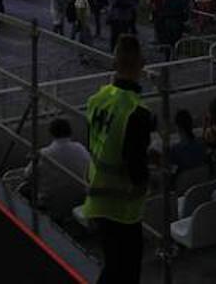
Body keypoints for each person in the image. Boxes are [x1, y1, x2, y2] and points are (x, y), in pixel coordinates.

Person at [81, 34, 154, 284]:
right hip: (123, 206)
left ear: (114, 62)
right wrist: (146, 183)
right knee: (126, 269)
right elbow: (135, 163)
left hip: (96, 193)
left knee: (113, 263)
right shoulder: (137, 111)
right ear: (141, 64)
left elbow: (96, 141)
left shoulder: (97, 99)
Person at [22, 117, 92, 217]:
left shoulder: (43, 154)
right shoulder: (80, 148)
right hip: (80, 201)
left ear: (51, 133)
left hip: (52, 204)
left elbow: (27, 175)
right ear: (70, 132)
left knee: (24, 189)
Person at [167, 108, 207, 175]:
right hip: (202, 182)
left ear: (178, 127)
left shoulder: (176, 150)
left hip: (184, 182)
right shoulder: (202, 144)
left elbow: (173, 172)